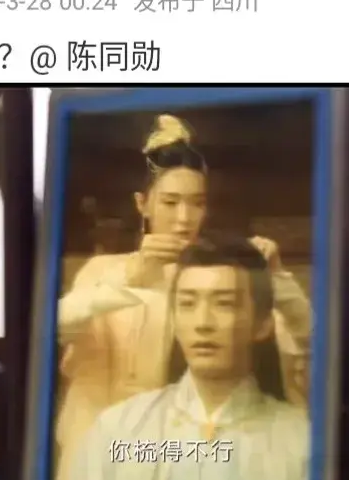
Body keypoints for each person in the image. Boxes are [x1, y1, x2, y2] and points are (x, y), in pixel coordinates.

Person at [55, 115, 311, 479]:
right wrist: (130, 280)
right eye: (171, 202)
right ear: (142, 203)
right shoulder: (105, 271)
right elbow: (50, 331)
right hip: (103, 443)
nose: (184, 218)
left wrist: (277, 280)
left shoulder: (212, 273)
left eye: (197, 203)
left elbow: (305, 346)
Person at [70, 237, 309, 480]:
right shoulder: (120, 430)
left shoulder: (300, 442)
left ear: (263, 324)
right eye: (187, 304)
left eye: (224, 304)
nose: (202, 323)